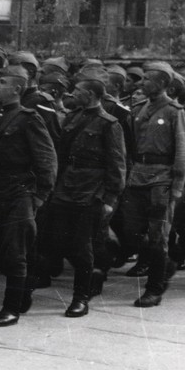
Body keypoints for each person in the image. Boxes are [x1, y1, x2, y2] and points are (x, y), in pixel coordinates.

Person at [0, 65, 57, 326]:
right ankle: (24, 288)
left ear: (18, 88)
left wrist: (40, 195)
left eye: (3, 82)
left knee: (15, 251)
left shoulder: (29, 118)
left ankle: (12, 308)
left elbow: (47, 160)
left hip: (20, 191)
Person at [45, 68, 125, 317]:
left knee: (82, 246)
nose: (73, 94)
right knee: (58, 241)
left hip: (90, 193)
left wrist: (110, 199)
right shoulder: (73, 117)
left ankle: (81, 298)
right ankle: (95, 274)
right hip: (65, 189)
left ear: (90, 94)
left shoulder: (109, 124)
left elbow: (117, 164)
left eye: (78, 91)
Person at [123, 61, 185, 307]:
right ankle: (167, 266)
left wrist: (176, 188)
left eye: (147, 79)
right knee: (129, 229)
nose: (141, 83)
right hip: (138, 176)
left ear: (162, 83)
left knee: (158, 237)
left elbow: (184, 153)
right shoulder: (141, 108)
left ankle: (154, 289)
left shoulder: (175, 112)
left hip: (161, 181)